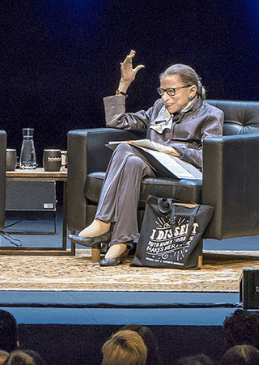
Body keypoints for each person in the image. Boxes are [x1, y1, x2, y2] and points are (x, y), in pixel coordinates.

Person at [68, 50, 224, 266]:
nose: (165, 97)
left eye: (171, 91)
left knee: (124, 148)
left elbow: (211, 157)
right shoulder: (160, 108)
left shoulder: (210, 114)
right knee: (131, 161)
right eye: (162, 91)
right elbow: (116, 121)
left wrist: (177, 152)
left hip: (185, 169)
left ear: (192, 90)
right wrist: (124, 85)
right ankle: (122, 240)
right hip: (154, 163)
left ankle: (102, 222)